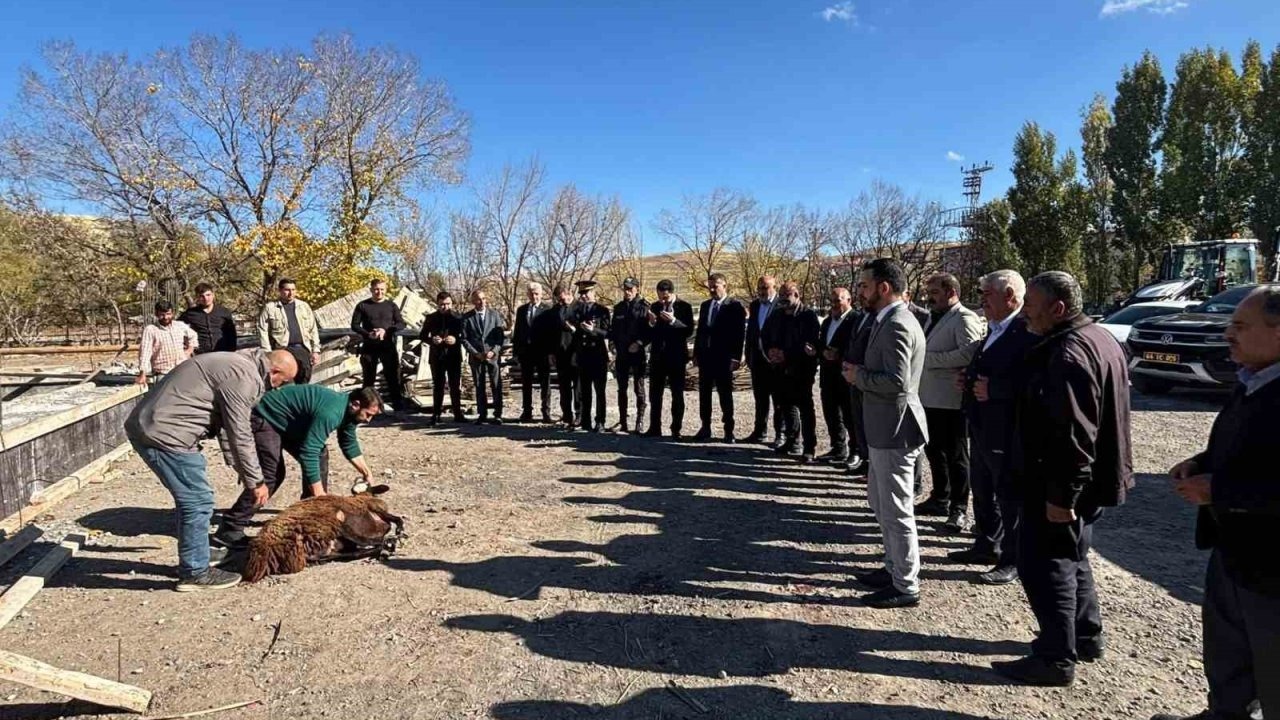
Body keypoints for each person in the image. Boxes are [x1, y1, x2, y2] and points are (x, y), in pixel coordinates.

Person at [992, 271, 1132, 687]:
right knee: (1074, 557)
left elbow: (1074, 435)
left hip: (1057, 485)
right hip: (1083, 484)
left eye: (1031, 305)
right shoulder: (1100, 338)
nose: (1024, 314)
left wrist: (1061, 496)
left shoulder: (1068, 353)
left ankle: (1055, 657)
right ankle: (1086, 636)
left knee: (1046, 566)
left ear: (1057, 308)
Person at [1151, 286, 1280, 720]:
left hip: (1272, 570)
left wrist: (1219, 489)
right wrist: (1202, 462)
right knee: (1228, 659)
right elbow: (1251, 448)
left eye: (1240, 326)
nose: (1228, 334)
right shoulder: (1255, 380)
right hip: (1234, 552)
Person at [124, 349, 297, 591]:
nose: (279, 387)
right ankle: (195, 572)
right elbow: (240, 431)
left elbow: (226, 424)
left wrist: (241, 467)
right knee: (198, 501)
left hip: (154, 424)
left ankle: (198, 556)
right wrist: (256, 481)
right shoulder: (245, 377)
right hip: (166, 433)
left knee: (194, 499)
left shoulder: (237, 363)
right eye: (282, 381)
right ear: (274, 371)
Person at [843, 258, 928, 610]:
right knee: (881, 505)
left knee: (896, 509)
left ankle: (906, 585)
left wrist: (857, 376)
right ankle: (893, 568)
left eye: (863, 286)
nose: (860, 291)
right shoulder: (886, 319)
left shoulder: (897, 324)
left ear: (883, 288)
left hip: (896, 430)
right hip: (883, 429)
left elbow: (897, 382)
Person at [949, 270, 1036, 586]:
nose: (982, 299)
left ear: (1010, 295)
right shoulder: (995, 329)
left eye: (988, 294)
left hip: (1006, 429)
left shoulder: (1027, 330)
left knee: (1009, 496)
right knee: (983, 490)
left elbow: (1034, 380)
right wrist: (967, 379)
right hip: (982, 424)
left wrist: (996, 389)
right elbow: (987, 368)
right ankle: (987, 545)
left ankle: (1012, 559)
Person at [213, 385, 382, 548]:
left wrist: (366, 472)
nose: (368, 420)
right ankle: (230, 528)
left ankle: (310, 516)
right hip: (267, 417)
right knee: (272, 475)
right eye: (368, 414)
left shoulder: (349, 413)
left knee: (321, 453)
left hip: (289, 422)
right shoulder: (332, 412)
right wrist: (320, 494)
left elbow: (348, 442)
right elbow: (308, 452)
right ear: (356, 404)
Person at [916, 273, 985, 532]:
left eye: (934, 291)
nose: (929, 296)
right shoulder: (934, 317)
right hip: (930, 398)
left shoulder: (964, 317)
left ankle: (959, 508)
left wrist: (927, 359)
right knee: (934, 450)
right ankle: (939, 498)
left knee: (956, 455)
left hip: (952, 400)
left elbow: (969, 353)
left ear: (951, 292)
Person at [762, 282, 821, 462]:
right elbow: (765, 334)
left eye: (786, 295)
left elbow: (809, 343)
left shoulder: (808, 316)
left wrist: (785, 354)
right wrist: (770, 351)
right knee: (786, 406)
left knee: (805, 408)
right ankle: (792, 440)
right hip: (779, 368)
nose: (782, 299)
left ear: (796, 295)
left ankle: (809, 447)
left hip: (801, 369)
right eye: (780, 295)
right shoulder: (777, 314)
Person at [693, 273, 747, 442]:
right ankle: (705, 427)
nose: (711, 289)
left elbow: (739, 334)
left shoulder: (734, 306)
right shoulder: (705, 306)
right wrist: (696, 353)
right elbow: (700, 332)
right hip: (706, 358)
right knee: (704, 394)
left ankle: (728, 430)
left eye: (715, 286)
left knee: (725, 395)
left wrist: (736, 357)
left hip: (724, 358)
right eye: (709, 286)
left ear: (725, 285)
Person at [644, 279, 695, 439]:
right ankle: (654, 427)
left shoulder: (684, 307)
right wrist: (651, 324)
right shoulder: (655, 307)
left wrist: (673, 321)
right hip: (658, 358)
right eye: (660, 297)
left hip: (676, 357)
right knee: (655, 394)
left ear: (672, 293)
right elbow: (651, 335)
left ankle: (676, 429)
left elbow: (689, 331)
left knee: (677, 394)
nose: (662, 301)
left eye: (665, 298)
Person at [817, 287, 859, 466]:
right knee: (831, 414)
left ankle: (856, 450)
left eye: (838, 300)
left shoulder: (855, 320)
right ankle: (838, 447)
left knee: (850, 416)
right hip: (828, 375)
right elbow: (821, 344)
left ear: (848, 300)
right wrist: (820, 351)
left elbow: (856, 346)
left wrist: (839, 354)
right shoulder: (827, 322)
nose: (834, 304)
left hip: (846, 376)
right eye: (832, 300)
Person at [350, 279, 406, 410]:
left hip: (387, 345)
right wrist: (367, 333)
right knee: (369, 377)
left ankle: (398, 405)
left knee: (392, 375)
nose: (379, 292)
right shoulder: (363, 305)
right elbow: (354, 325)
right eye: (376, 289)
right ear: (371, 290)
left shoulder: (391, 306)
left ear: (385, 290)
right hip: (369, 346)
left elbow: (401, 323)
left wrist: (386, 331)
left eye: (382, 289)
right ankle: (366, 406)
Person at [258, 278, 321, 384]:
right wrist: (267, 352)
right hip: (282, 349)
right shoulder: (270, 308)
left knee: (304, 380)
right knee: (283, 382)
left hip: (302, 349)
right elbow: (262, 330)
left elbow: (313, 329)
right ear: (280, 290)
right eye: (287, 290)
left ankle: (300, 399)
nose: (291, 293)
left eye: (293, 289)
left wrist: (316, 350)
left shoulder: (304, 306)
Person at [744, 275, 782, 445]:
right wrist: (748, 355)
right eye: (759, 288)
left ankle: (780, 434)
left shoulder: (781, 305)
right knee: (760, 398)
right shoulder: (755, 305)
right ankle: (760, 431)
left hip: (775, 360)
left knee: (778, 399)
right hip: (757, 359)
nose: (761, 291)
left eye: (765, 287)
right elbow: (751, 332)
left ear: (774, 287)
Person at [570, 280, 612, 432]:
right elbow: (573, 329)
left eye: (586, 293)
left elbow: (608, 333)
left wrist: (593, 330)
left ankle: (600, 421)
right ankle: (585, 421)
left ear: (593, 292)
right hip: (583, 355)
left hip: (598, 355)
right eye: (581, 293)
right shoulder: (577, 310)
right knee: (584, 391)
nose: (584, 296)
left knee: (599, 391)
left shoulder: (602, 310)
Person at [609, 278, 650, 433]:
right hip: (622, 353)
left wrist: (639, 343)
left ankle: (639, 422)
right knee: (622, 388)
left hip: (637, 353)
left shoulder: (644, 307)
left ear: (637, 289)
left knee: (639, 389)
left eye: (630, 289)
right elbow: (614, 330)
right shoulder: (619, 308)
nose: (627, 292)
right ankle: (622, 421)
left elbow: (649, 331)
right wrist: (613, 345)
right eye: (625, 289)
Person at [461, 289, 507, 424]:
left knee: (496, 384)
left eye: (483, 298)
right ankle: (482, 414)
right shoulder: (467, 317)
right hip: (477, 356)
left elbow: (500, 337)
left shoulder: (495, 315)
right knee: (479, 385)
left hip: (492, 355)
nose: (481, 302)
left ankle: (498, 414)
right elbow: (464, 339)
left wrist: (494, 351)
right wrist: (475, 353)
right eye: (478, 299)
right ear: (473, 301)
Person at [420, 291, 465, 425]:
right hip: (437, 356)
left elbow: (466, 336)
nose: (445, 307)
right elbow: (422, 335)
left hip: (453, 356)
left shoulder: (458, 318)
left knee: (455, 385)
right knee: (438, 386)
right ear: (437, 304)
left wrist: (456, 339)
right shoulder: (431, 318)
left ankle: (457, 413)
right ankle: (436, 413)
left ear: (452, 303)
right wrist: (431, 339)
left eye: (447, 304)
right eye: (442, 305)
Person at [536, 284, 578, 428]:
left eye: (562, 299)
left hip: (575, 352)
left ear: (568, 293)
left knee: (577, 387)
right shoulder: (554, 311)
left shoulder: (578, 308)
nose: (560, 302)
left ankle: (579, 414)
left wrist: (573, 329)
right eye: (558, 300)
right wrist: (551, 352)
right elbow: (550, 334)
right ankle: (567, 414)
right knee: (564, 387)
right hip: (559, 353)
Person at [512, 283, 552, 423]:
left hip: (542, 352)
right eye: (531, 294)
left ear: (541, 294)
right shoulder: (522, 310)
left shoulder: (548, 309)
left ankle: (546, 412)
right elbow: (517, 331)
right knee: (526, 383)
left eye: (536, 294)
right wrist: (516, 352)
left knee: (545, 383)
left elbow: (551, 333)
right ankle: (527, 411)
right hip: (526, 352)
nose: (534, 296)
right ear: (528, 295)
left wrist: (551, 352)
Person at [137, 300, 198, 385]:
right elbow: (145, 352)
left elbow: (193, 335)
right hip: (163, 372)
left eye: (168, 314)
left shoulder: (179, 326)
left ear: (172, 313)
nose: (165, 317)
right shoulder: (151, 330)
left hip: (181, 369)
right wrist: (142, 374)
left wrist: (189, 350)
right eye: (162, 314)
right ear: (156, 314)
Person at [180, 283, 237, 354]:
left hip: (223, 352)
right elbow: (177, 327)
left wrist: (232, 350)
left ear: (213, 295)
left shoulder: (224, 312)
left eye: (208, 295)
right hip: (200, 354)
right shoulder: (190, 313)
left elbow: (231, 333)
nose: (205, 298)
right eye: (201, 296)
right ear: (197, 297)